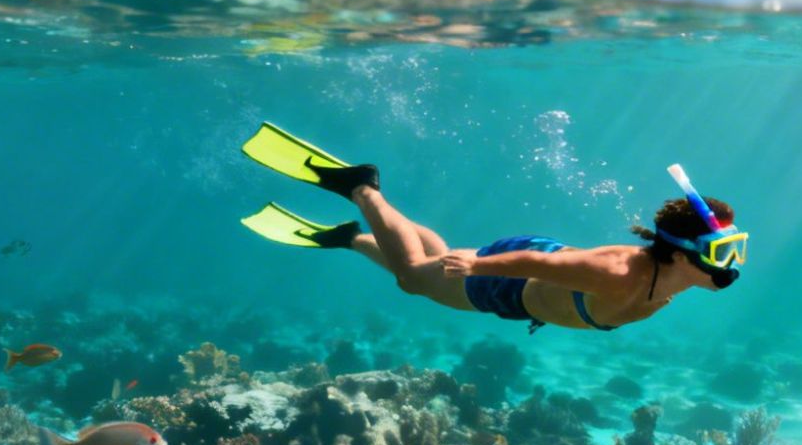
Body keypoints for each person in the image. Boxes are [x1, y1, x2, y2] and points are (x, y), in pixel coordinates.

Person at [238, 124, 745, 332]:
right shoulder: (620, 272)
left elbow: (567, 280)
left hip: (534, 283)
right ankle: (362, 190)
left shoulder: (672, 278)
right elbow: (543, 265)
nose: (732, 264)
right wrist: (479, 265)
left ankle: (350, 235)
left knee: (435, 257)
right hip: (511, 281)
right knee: (415, 278)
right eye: (721, 251)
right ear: (680, 254)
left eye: (732, 248)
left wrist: (557, 304)